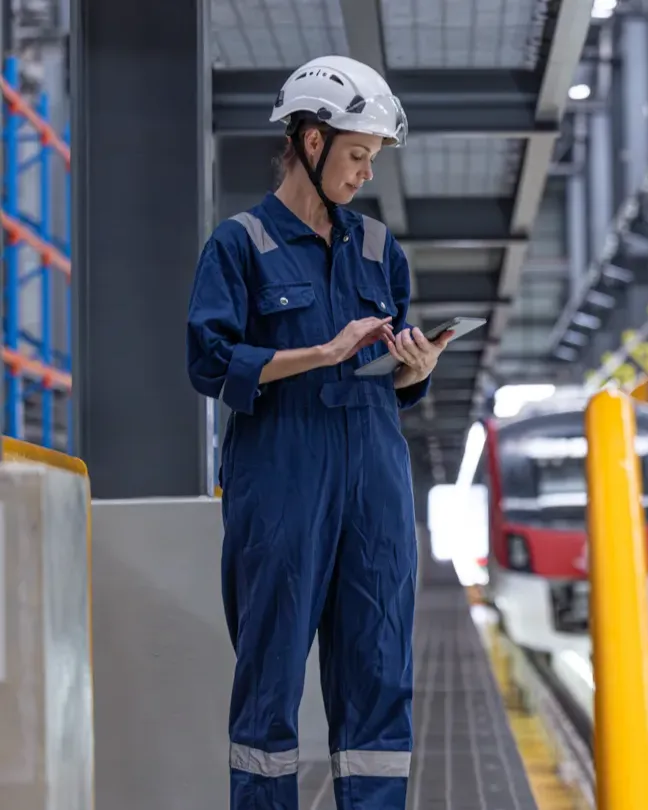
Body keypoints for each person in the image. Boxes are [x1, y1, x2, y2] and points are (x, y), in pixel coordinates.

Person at [186, 55, 448, 809]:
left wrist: (414, 363)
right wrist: (323, 352)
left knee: (378, 676)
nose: (365, 173)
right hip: (282, 478)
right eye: (357, 154)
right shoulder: (239, 245)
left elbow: (394, 387)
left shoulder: (378, 249)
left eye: (371, 157)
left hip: (374, 479)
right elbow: (209, 364)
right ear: (308, 139)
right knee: (270, 683)